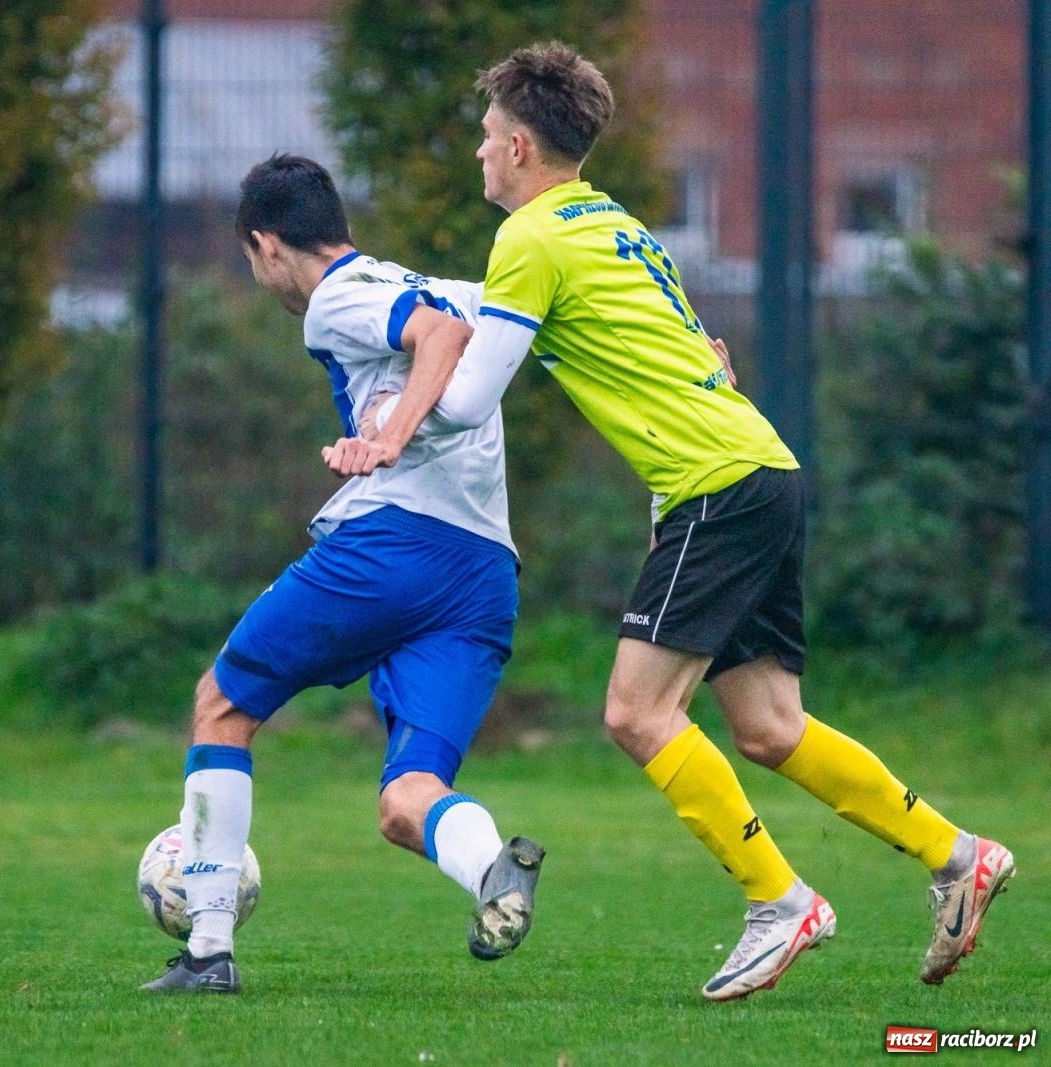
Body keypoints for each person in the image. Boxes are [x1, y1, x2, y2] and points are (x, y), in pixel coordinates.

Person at [339, 43, 1016, 1002]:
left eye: (488, 139)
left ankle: (779, 900)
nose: (481, 155)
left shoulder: (529, 238)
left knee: (635, 712)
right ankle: (957, 854)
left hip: (717, 484)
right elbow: (704, 350)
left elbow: (472, 397)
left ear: (523, 145)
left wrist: (388, 412)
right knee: (772, 727)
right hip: (762, 468)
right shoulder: (608, 220)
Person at [143, 154, 543, 995]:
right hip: (483, 574)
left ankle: (206, 951)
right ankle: (490, 873)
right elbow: (507, 324)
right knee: (409, 800)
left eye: (253, 262)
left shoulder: (338, 296)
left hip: (391, 549)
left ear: (266, 244)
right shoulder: (451, 283)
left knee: (222, 702)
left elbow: (441, 336)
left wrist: (390, 435)